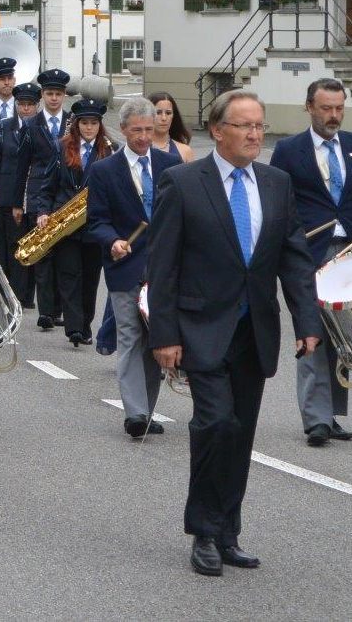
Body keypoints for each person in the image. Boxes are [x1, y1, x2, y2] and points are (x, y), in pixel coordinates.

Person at [147, 89, 321, 577]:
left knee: (240, 432)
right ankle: (203, 531)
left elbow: (293, 258)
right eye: (244, 125)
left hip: (253, 330)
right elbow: (162, 266)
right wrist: (164, 335)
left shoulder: (276, 183)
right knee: (216, 423)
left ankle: (228, 531)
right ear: (218, 130)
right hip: (200, 327)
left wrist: (307, 322)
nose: (255, 134)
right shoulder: (183, 182)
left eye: (259, 125)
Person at [87, 97, 181, 438]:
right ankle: (136, 413)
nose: (143, 137)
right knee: (129, 336)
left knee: (156, 337)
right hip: (125, 266)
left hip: (165, 268)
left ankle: (147, 410)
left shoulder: (171, 165)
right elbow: (96, 221)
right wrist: (112, 240)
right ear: (123, 130)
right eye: (136, 130)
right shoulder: (104, 170)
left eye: (148, 130)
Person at [269, 77, 352, 447]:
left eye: (339, 108)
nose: (333, 115)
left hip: (348, 254)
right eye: (326, 108)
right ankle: (316, 420)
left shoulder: (351, 145)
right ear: (309, 107)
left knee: (343, 336)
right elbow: (277, 200)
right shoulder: (289, 150)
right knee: (312, 332)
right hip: (309, 254)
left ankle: (332, 413)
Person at [36, 100, 114, 347]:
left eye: (94, 123)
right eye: (85, 123)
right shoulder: (61, 147)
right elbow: (47, 185)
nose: (89, 128)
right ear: (77, 125)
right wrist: (43, 212)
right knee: (69, 276)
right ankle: (74, 328)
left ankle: (85, 326)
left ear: (100, 125)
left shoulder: (109, 150)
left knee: (90, 279)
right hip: (65, 224)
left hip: (94, 225)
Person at [0, 81, 38, 306]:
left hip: (29, 197)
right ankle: (4, 294)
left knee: (24, 246)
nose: (26, 109)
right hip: (3, 196)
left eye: (30, 104)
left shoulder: (41, 128)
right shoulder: (4, 127)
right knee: (2, 246)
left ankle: (23, 295)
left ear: (36, 106)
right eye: (21, 104)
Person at [24, 68, 70, 330]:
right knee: (42, 253)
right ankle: (46, 312)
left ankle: (59, 309)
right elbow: (22, 165)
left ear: (64, 96)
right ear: (42, 95)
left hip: (64, 195)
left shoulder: (74, 122)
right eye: (50, 93)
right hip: (38, 193)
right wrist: (19, 202)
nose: (54, 98)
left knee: (63, 256)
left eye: (58, 94)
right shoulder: (32, 124)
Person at [149, 90, 195, 162]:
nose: (164, 118)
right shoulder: (140, 149)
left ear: (173, 116)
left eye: (168, 113)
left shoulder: (185, 151)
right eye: (158, 112)